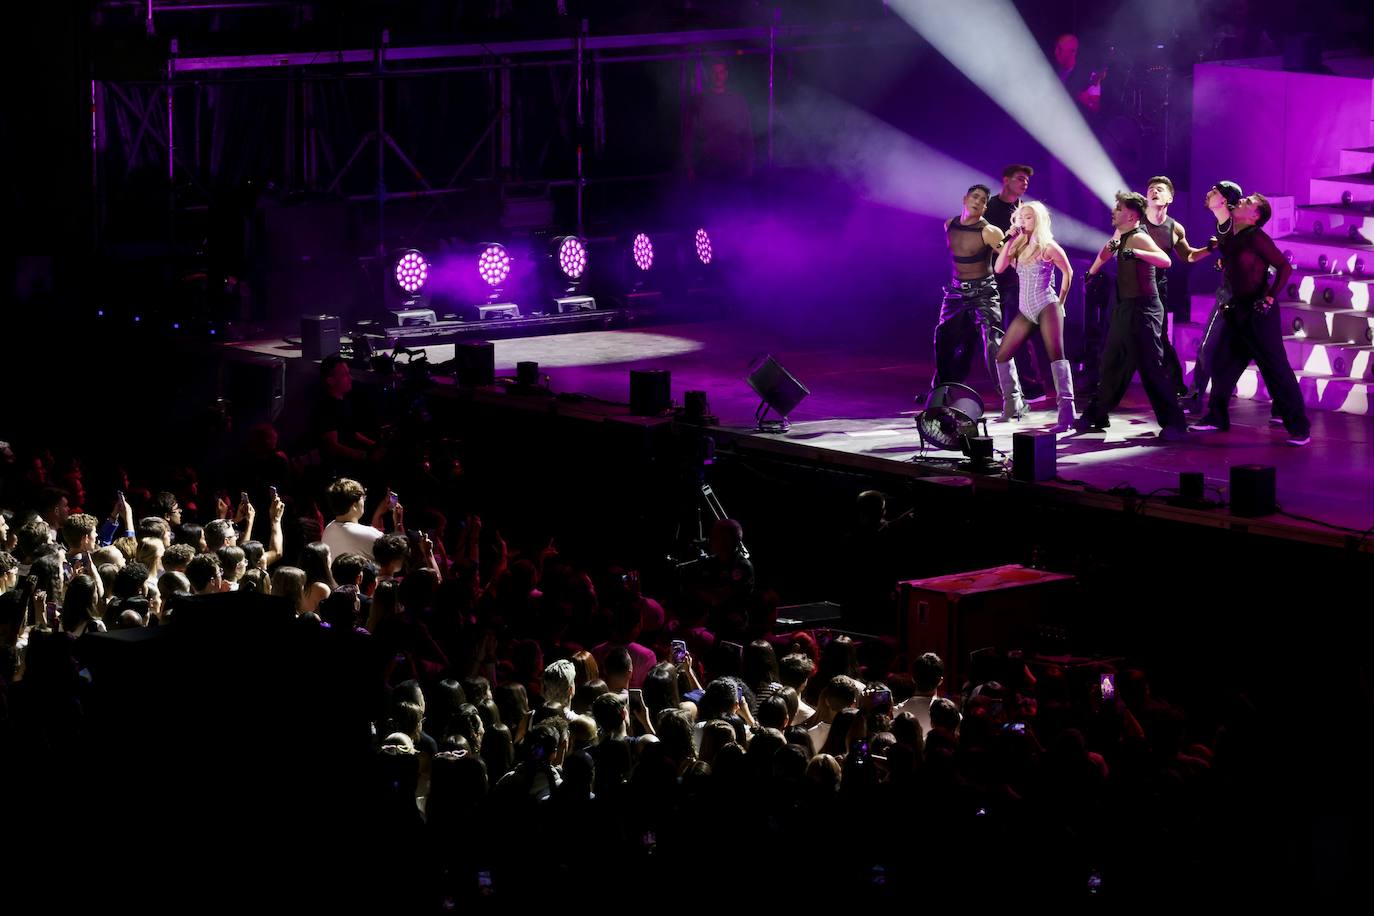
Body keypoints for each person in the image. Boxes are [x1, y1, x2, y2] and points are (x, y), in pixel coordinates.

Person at [1189, 193, 1311, 446]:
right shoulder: (1234, 235)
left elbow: (1284, 267)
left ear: (1255, 216)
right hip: (1237, 310)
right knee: (1223, 364)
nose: (1240, 201)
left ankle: (1300, 428)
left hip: (1258, 313)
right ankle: (1216, 417)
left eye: (1246, 202)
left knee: (1275, 369)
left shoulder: (1256, 237)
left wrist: (1268, 298)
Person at [1075, 192, 1188, 440]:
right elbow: (1107, 251)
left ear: (1131, 215)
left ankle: (1175, 424)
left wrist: (1136, 254)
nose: (1113, 212)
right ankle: (1097, 413)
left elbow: (1165, 260)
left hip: (1144, 309)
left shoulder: (1138, 237)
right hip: (1126, 308)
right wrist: (1091, 273)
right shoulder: (1122, 236)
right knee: (1112, 362)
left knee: (1151, 367)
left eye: (1118, 209)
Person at [931, 184, 1015, 416]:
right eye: (974, 196)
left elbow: (1011, 258)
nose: (977, 201)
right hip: (956, 292)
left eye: (982, 199)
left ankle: (1013, 399)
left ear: (986, 206)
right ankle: (941, 393)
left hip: (984, 293)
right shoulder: (949, 224)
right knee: (943, 338)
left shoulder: (990, 231)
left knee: (994, 343)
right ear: (965, 198)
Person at [993, 201, 1076, 432]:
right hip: (1025, 309)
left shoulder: (1048, 246)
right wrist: (1009, 239)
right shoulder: (1017, 245)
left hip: (1046, 304)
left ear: (1037, 220)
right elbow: (999, 268)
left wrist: (1061, 302)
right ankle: (1013, 405)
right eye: (1020, 216)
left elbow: (1068, 271)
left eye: (1028, 217)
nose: (1022, 220)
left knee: (1056, 356)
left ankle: (1067, 415)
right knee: (1002, 355)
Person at [983, 164, 1048, 402]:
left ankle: (1030, 387)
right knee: (991, 334)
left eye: (1027, 181)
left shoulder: (1024, 211)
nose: (1025, 184)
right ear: (1006, 180)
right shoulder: (989, 206)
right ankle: (1003, 387)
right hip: (988, 278)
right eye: (1020, 179)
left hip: (1014, 280)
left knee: (1017, 330)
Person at [1141, 176, 1208, 399]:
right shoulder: (1136, 221)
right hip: (1131, 284)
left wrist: (1210, 248)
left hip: (1157, 287)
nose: (1154, 192)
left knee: (1159, 336)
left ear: (1170, 197)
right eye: (1150, 189)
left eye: (1159, 189)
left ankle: (1176, 384)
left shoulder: (1174, 227)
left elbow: (1187, 255)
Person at [1181, 181, 1245, 413]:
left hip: (1240, 296)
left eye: (1215, 191)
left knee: (1262, 354)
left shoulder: (1237, 226)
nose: (1209, 193)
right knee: (1208, 347)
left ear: (1225, 201)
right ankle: (1195, 397)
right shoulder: (1222, 227)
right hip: (1228, 294)